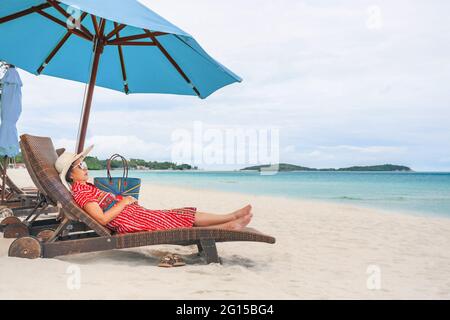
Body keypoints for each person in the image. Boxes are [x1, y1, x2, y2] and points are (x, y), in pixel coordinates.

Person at [54, 145, 253, 234]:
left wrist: (125, 202)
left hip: (132, 214)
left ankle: (230, 216)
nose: (85, 167)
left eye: (84, 163)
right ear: (71, 175)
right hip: (128, 221)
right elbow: (103, 220)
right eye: (80, 166)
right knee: (176, 221)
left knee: (180, 213)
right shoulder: (81, 192)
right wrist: (124, 202)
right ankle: (228, 226)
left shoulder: (86, 186)